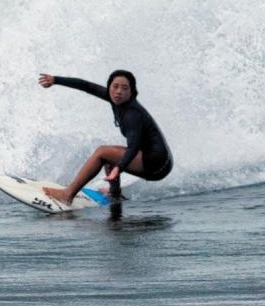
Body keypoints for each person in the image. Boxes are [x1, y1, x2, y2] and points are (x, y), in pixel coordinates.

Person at [37, 70, 173, 218]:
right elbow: (86, 85)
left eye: (124, 88)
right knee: (110, 154)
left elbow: (133, 147)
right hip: (161, 159)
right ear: (109, 87)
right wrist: (55, 80)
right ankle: (115, 195)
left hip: (157, 164)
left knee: (102, 152)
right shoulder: (114, 98)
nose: (119, 91)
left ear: (132, 91)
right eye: (115, 86)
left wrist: (119, 168)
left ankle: (67, 194)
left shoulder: (132, 114)